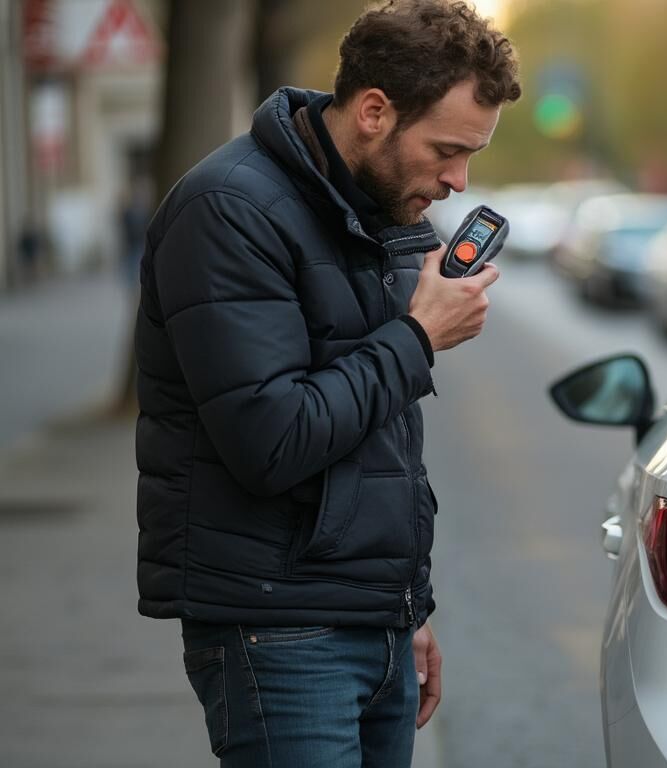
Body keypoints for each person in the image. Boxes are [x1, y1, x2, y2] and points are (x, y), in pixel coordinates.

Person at [133, 2, 520, 765]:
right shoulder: (229, 209)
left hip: (370, 623)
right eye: (446, 149)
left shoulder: (373, 212)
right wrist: (417, 336)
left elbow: (377, 446)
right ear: (374, 111)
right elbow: (273, 440)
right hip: (277, 630)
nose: (458, 179)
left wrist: (404, 609)